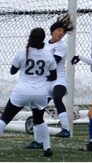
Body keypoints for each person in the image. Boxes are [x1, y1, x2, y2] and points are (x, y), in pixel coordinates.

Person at [0, 28, 57, 157]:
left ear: (29, 38)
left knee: (5, 118)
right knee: (39, 120)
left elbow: (12, 71)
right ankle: (47, 148)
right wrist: (42, 78)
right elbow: (53, 76)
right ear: (43, 39)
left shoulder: (22, 53)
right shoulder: (48, 55)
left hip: (22, 91)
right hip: (40, 93)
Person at [24, 14, 74, 150]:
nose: (61, 33)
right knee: (37, 110)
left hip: (59, 79)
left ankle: (66, 129)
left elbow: (53, 62)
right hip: (45, 82)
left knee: (57, 98)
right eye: (59, 30)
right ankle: (38, 141)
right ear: (52, 31)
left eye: (63, 32)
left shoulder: (62, 46)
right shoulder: (44, 43)